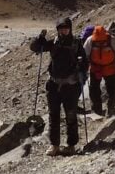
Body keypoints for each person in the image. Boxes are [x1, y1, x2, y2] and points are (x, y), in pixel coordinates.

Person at [30, 16, 87, 156]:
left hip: (70, 86)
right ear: (58, 30)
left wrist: (81, 66)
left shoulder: (77, 43)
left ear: (70, 29)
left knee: (71, 115)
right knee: (53, 116)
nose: (64, 31)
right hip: (54, 85)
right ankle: (54, 145)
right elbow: (35, 47)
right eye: (61, 29)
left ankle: (71, 145)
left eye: (66, 29)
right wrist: (39, 39)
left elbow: (85, 63)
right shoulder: (53, 43)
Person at [83, 24, 115, 117]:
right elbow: (84, 57)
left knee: (111, 90)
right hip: (98, 69)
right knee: (95, 91)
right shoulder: (91, 40)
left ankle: (109, 110)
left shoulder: (111, 40)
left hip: (108, 68)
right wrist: (83, 69)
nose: (100, 43)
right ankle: (98, 112)